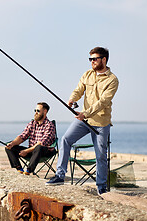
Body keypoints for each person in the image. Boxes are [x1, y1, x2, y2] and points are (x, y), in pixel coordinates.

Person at [46, 47, 119, 195]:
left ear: (104, 60)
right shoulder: (87, 74)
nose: (92, 61)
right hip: (84, 120)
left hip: (100, 123)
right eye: (90, 59)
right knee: (66, 139)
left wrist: (85, 113)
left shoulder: (112, 80)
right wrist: (73, 99)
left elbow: (103, 102)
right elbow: (79, 89)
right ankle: (60, 175)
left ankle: (101, 186)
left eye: (95, 59)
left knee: (100, 155)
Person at [5, 102, 56, 175]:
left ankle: (29, 170)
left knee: (39, 147)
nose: (36, 112)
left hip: (45, 152)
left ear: (45, 111)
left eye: (38, 111)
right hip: (32, 151)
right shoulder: (32, 123)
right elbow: (22, 136)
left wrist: (26, 151)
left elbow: (41, 143)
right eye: (35, 110)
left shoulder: (49, 125)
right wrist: (12, 143)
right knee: (9, 148)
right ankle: (19, 168)